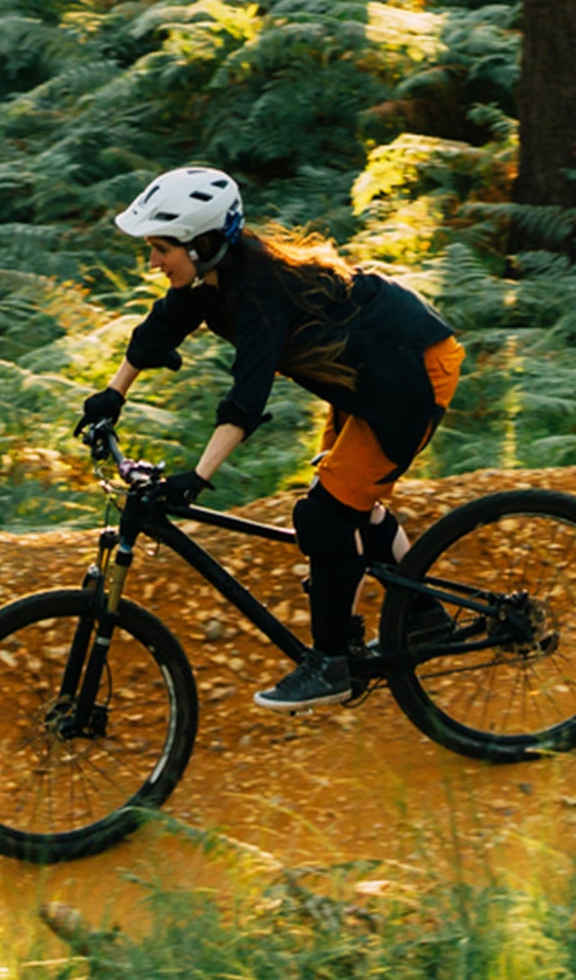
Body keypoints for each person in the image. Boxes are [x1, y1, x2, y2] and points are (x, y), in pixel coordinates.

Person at [76, 166, 464, 711]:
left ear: (204, 243)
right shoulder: (211, 280)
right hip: (363, 374)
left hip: (408, 371)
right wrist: (111, 396)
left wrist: (199, 476)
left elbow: (247, 398)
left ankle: (331, 664)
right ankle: (426, 620)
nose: (154, 261)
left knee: (325, 517)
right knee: (353, 505)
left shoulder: (258, 292)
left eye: (162, 248)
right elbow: (159, 328)